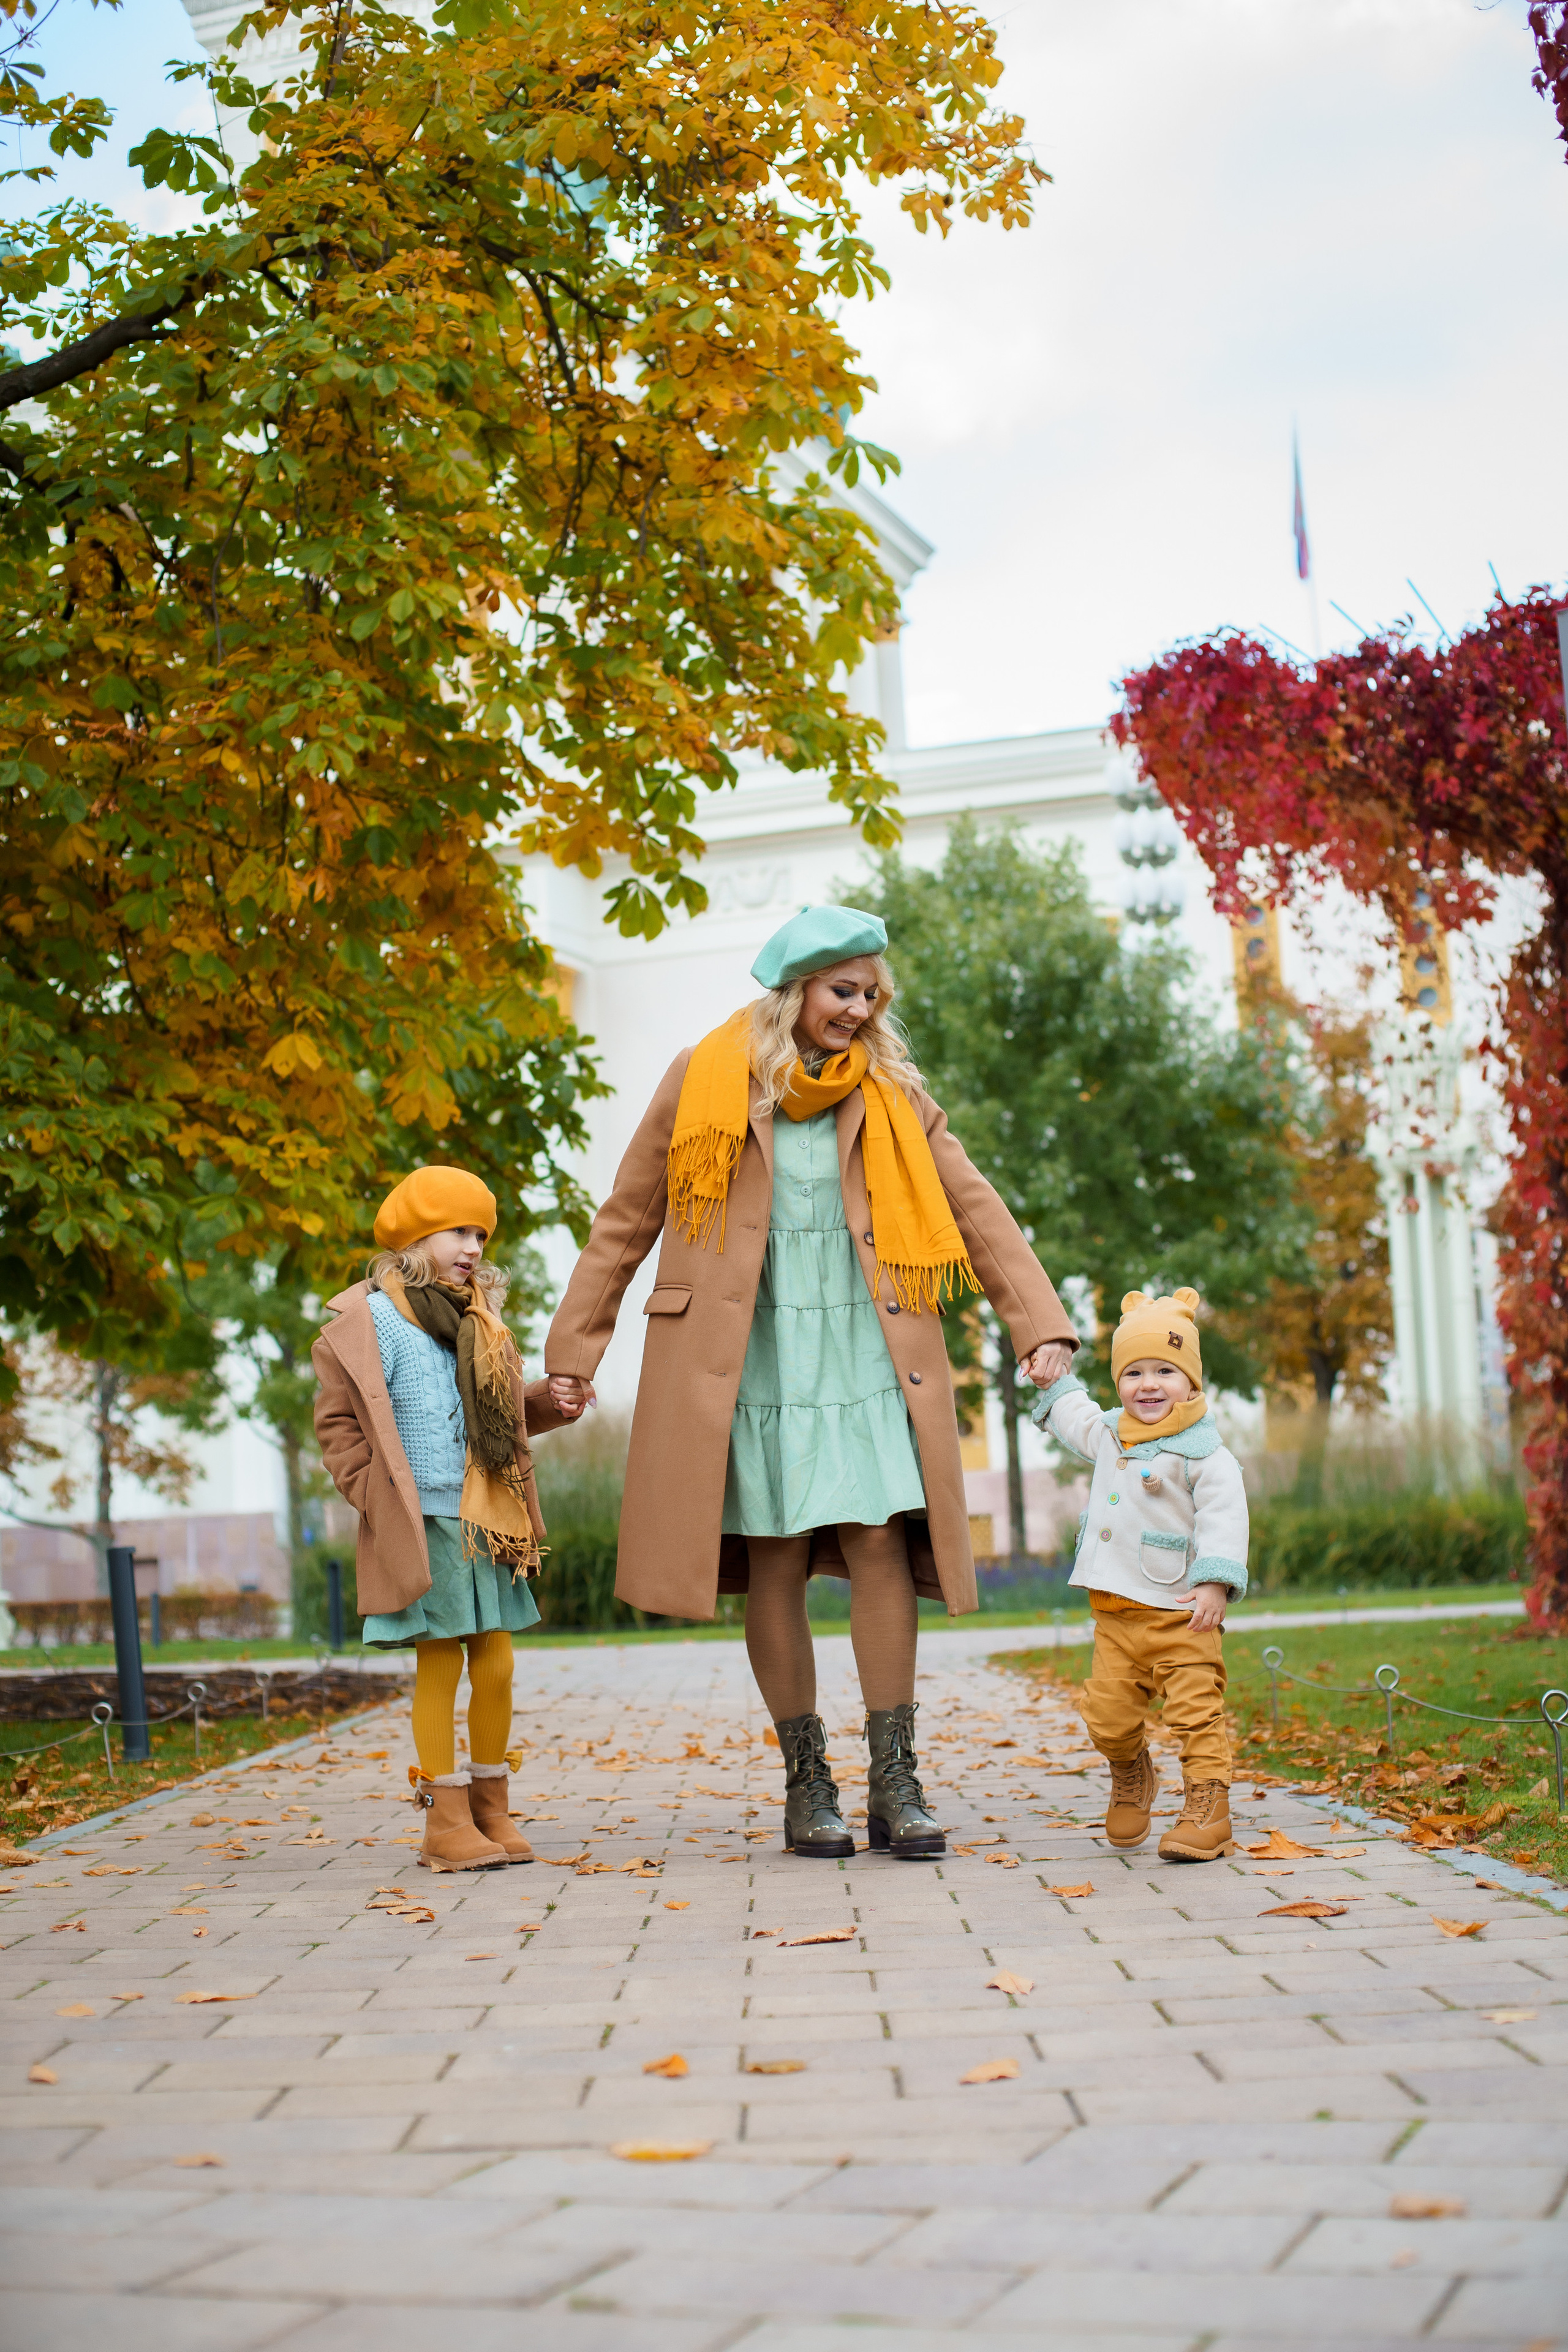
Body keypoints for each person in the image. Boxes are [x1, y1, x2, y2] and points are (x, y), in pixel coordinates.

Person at [545, 905, 1078, 1858]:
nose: (860, 1010)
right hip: (747, 1360)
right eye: (844, 991)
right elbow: (625, 1219)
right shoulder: (705, 1079)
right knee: (779, 1561)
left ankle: (896, 1781)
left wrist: (1039, 1323)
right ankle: (807, 1784)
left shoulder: (892, 1094)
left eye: (873, 996)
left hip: (867, 1354)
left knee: (879, 1548)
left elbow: (974, 1207)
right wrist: (573, 1352)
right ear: (794, 990)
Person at [313, 1166, 578, 1871]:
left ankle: (492, 1807)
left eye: (481, 1235)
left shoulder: (479, 1318)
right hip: (420, 1516)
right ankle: (444, 1821)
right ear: (413, 1235)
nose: (472, 1247)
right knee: (440, 1659)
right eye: (458, 1230)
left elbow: (501, 1413)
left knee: (496, 1659)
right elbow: (338, 1426)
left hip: (486, 1511)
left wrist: (550, 1401)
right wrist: (372, 1494)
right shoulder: (371, 1321)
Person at [1028, 1286, 1250, 1862]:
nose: (1148, 1385)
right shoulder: (1110, 1434)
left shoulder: (1205, 1454)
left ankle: (1210, 1808)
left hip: (1182, 1615)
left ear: (1192, 1383)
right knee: (1106, 1717)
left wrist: (1215, 1580)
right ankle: (1131, 1772)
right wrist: (1051, 1378)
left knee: (1195, 1713)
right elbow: (1072, 1414)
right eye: (1133, 1373)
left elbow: (1225, 1518)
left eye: (1165, 1371)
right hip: (1116, 1618)